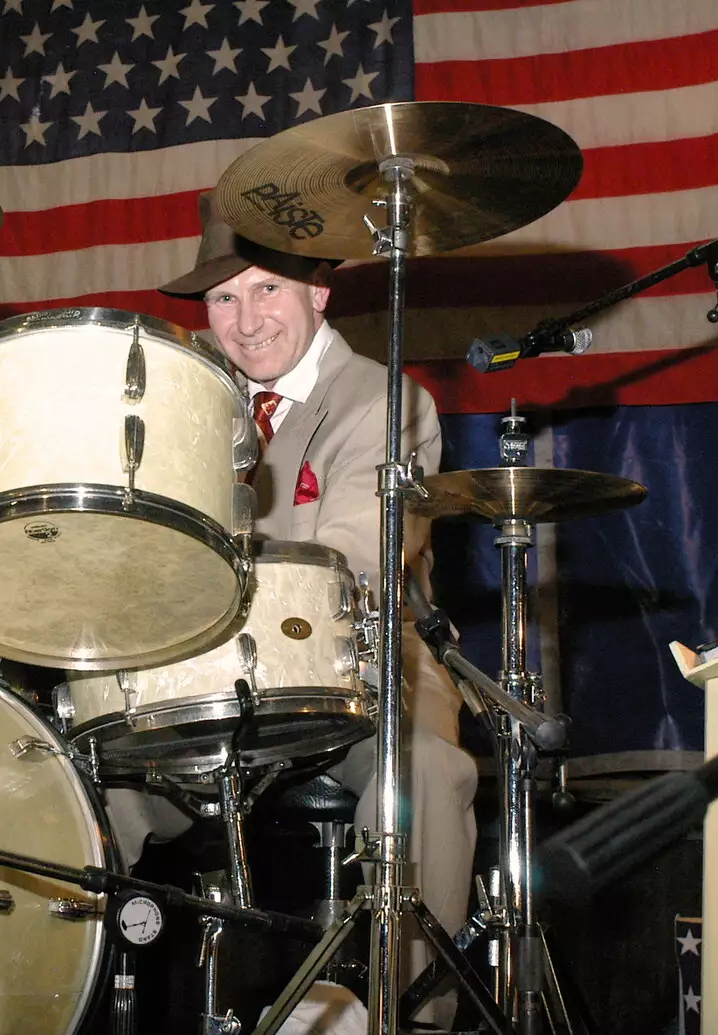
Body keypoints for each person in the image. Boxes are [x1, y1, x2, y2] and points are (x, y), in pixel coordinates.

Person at [154, 189, 478, 1029]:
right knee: (51, 787)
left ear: (319, 292)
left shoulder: (384, 402)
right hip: (197, 683)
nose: (244, 319)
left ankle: (404, 1013)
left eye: (266, 289)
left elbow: (353, 566)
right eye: (223, 297)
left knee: (427, 779)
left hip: (360, 670)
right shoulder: (184, 403)